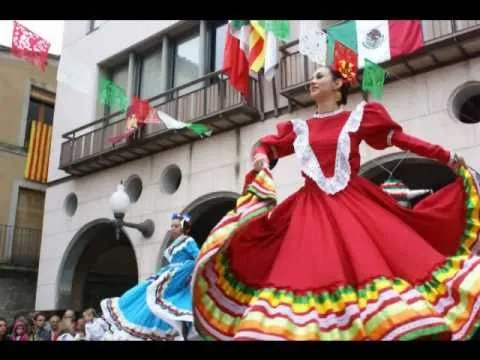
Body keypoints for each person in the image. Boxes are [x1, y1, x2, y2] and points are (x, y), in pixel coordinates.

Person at [191, 65, 480, 341]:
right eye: (312, 79)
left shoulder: (359, 118)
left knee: (387, 262)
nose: (311, 82)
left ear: (338, 84)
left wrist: (446, 156)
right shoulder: (299, 128)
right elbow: (265, 145)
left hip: (355, 207)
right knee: (307, 274)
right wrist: (261, 159)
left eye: (319, 76)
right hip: (309, 211)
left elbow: (401, 140)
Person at [101, 213, 200, 341]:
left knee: (164, 300)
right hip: (169, 274)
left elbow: (198, 256)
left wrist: (187, 268)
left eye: (176, 226)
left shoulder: (188, 240)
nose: (172, 228)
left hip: (179, 276)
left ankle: (182, 326)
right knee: (149, 295)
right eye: (172, 226)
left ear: (184, 227)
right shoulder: (174, 243)